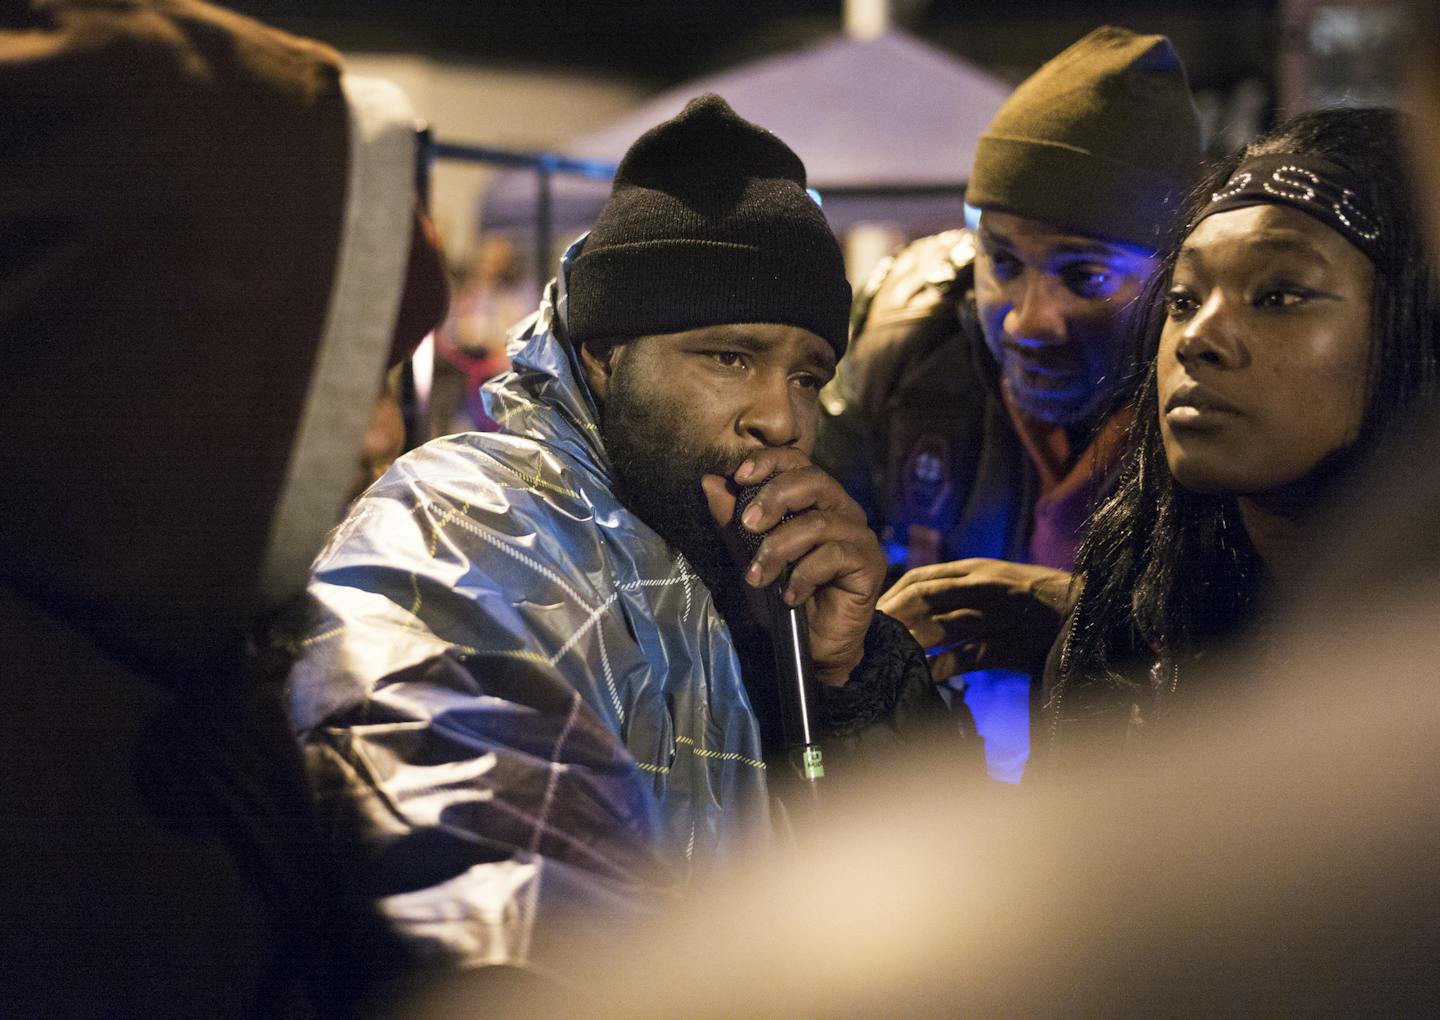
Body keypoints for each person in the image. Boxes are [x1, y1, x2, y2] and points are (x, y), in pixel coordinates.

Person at [288, 94, 945, 972]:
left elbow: (928, 910)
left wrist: (846, 680)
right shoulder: (470, 524)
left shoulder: (753, 578)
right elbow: (483, 894)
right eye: (730, 357)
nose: (780, 419)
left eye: (807, 376)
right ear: (604, 352)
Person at [0, 1, 448, 1013]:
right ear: (158, 362)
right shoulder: (54, 805)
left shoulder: (163, 666)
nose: (380, 440)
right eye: (345, 383)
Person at [815, 26, 1204, 781]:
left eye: (1085, 278)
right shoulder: (912, 346)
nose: (1028, 320)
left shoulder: (1225, 401)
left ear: (1174, 281)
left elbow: (1289, 662)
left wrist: (1085, 621)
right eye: (1002, 262)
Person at [1038, 106, 1440, 773]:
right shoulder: (1121, 627)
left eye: (1279, 295)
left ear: (1416, 332)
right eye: (1185, 299)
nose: (1197, 340)